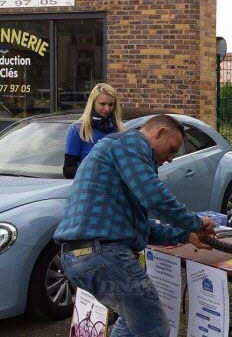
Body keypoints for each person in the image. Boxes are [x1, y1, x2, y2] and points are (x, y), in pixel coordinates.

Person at [54, 114, 215, 337]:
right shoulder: (131, 144)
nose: (170, 158)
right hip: (103, 255)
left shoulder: (119, 159)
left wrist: (186, 235)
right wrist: (195, 222)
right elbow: (155, 197)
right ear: (158, 133)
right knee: (154, 328)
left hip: (83, 255)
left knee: (133, 325)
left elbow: (139, 228)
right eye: (171, 149)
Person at [63, 83, 126, 179]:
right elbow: (68, 170)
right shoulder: (78, 129)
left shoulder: (121, 129)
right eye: (102, 104)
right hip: (90, 188)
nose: (107, 109)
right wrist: (96, 170)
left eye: (111, 104)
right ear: (92, 103)